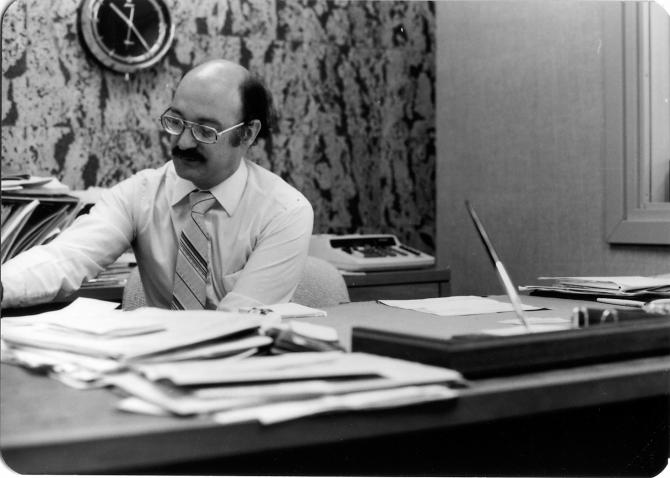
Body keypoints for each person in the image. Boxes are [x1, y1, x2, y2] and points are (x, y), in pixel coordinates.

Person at [1, 59, 314, 311]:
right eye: (176, 121)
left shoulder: (285, 212)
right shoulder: (141, 193)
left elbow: (241, 322)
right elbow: (65, 257)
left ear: (247, 134)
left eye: (205, 130)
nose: (183, 141)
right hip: (149, 369)